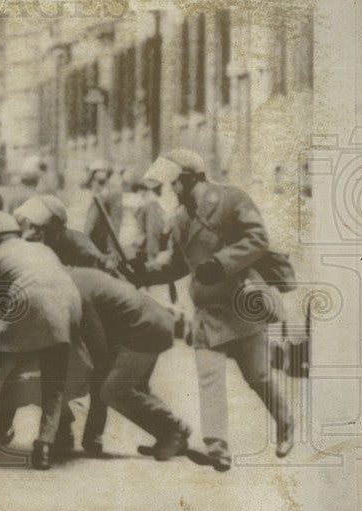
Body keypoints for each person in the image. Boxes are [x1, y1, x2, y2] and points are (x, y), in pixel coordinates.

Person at [139, 149, 294, 471]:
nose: (171, 191)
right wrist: (143, 270)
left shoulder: (231, 199)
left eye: (174, 184)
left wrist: (221, 263)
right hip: (209, 311)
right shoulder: (180, 219)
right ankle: (217, 447)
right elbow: (178, 263)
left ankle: (285, 422)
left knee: (258, 377)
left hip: (242, 303)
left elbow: (258, 239)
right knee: (210, 377)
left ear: (190, 178)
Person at [0, 211, 82, 469]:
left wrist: (1, 343)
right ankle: (45, 448)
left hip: (27, 303)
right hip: (69, 306)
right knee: (53, 386)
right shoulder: (43, 250)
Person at [59, 267, 192, 459]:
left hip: (145, 327)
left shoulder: (73, 290)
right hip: (154, 320)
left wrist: (92, 432)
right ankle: (168, 436)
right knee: (136, 390)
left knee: (113, 391)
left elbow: (99, 351)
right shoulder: (79, 274)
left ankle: (175, 427)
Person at [13, 195, 119, 276]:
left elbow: (103, 271)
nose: (34, 233)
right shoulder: (38, 238)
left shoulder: (76, 242)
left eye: (37, 228)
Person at [83, 159, 124, 258]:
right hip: (92, 242)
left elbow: (115, 223)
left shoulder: (113, 194)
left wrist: (112, 249)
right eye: (94, 179)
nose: (95, 184)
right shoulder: (97, 194)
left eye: (100, 181)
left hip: (104, 245)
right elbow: (90, 220)